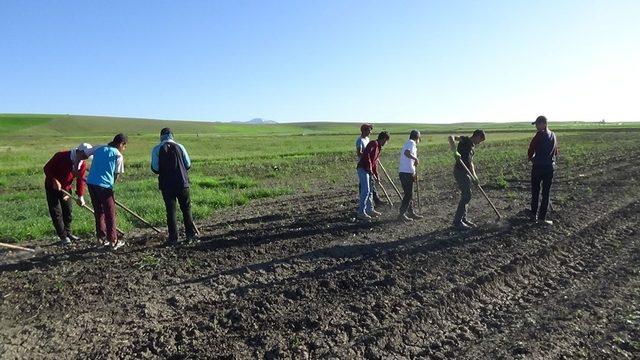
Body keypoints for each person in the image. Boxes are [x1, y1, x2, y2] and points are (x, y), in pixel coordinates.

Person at [151, 128, 198, 246]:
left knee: (171, 211)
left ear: (161, 136)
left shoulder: (157, 149)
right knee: (186, 209)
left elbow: (155, 168)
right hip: (182, 183)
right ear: (172, 136)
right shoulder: (180, 147)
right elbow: (188, 164)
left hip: (166, 185)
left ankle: (173, 238)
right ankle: (190, 236)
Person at [43, 143, 93, 245]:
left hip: (66, 189)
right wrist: (54, 180)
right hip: (52, 187)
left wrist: (80, 196)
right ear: (79, 152)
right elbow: (47, 168)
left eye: (87, 156)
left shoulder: (82, 164)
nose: (86, 158)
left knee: (68, 211)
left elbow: (80, 180)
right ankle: (63, 237)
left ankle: (68, 233)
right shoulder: (61, 156)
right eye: (85, 155)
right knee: (56, 212)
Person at [86, 133, 127, 250]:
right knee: (110, 213)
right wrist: (110, 186)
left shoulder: (100, 148)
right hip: (104, 186)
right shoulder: (118, 155)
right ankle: (113, 240)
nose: (124, 149)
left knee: (99, 211)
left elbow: (86, 153)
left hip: (91, 183)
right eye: (124, 146)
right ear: (121, 144)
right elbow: (116, 175)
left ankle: (101, 238)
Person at [448, 129, 486, 230]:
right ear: (477, 136)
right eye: (480, 140)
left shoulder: (472, 148)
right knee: (467, 195)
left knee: (466, 195)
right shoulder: (465, 139)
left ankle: (463, 219)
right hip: (459, 171)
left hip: (466, 172)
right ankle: (457, 221)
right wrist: (454, 151)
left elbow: (471, 163)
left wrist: (475, 176)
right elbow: (451, 137)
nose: (479, 143)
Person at [528, 115, 558, 225]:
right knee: (546, 193)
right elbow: (556, 151)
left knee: (535, 192)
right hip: (549, 168)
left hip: (538, 168)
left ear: (543, 124)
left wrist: (531, 159)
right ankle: (542, 218)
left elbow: (531, 148)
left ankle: (533, 215)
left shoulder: (539, 135)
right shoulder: (553, 135)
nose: (536, 126)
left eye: (537, 124)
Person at [356, 131, 390, 220]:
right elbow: (366, 155)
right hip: (363, 168)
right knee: (366, 191)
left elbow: (375, 163)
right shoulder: (373, 143)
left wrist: (377, 175)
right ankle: (361, 212)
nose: (386, 143)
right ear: (383, 139)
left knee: (370, 190)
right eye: (386, 141)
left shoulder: (379, 148)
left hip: (368, 170)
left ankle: (370, 210)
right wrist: (370, 168)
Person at [355, 123, 384, 207]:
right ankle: (364, 204)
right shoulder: (359, 140)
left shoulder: (367, 139)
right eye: (369, 130)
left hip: (369, 164)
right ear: (364, 130)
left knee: (370, 186)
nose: (370, 132)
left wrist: (374, 158)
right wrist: (368, 157)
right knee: (365, 187)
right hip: (363, 165)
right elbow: (359, 153)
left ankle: (371, 204)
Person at [398, 130, 423, 221]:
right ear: (417, 137)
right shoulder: (411, 143)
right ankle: (402, 213)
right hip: (405, 173)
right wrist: (415, 158)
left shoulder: (410, 143)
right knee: (408, 194)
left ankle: (410, 212)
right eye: (419, 137)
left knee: (409, 194)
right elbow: (407, 153)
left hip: (407, 172)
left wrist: (414, 173)